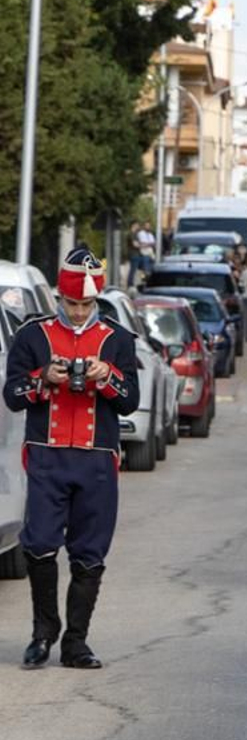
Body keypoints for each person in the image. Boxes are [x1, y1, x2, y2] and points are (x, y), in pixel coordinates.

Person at [4, 248, 140, 670]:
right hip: (46, 455)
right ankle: (42, 633)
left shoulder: (118, 338)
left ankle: (75, 642)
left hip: (97, 459)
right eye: (71, 304)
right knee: (40, 545)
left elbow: (130, 402)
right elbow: (12, 397)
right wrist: (43, 377)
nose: (79, 313)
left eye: (86, 304)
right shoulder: (32, 335)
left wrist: (108, 376)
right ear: (59, 298)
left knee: (89, 553)